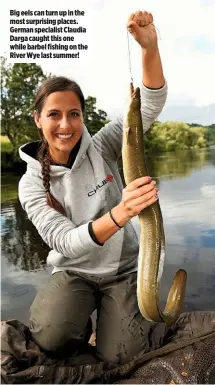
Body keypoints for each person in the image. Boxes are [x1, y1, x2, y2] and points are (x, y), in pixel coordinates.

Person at [18, 10, 168, 364]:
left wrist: (149, 49)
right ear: (38, 119)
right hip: (75, 271)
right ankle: (80, 317)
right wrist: (122, 212)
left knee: (123, 356)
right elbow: (66, 243)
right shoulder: (30, 185)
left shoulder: (102, 145)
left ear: (83, 117)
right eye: (54, 114)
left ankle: (117, 316)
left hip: (123, 270)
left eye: (74, 114)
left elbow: (150, 104)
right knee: (51, 338)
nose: (66, 125)